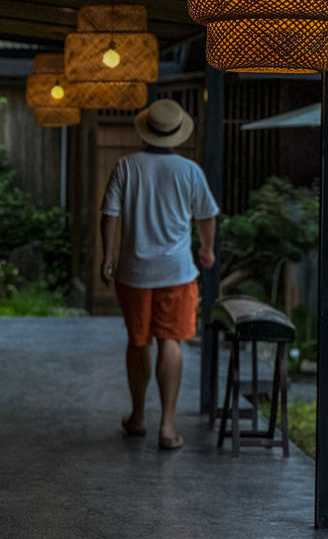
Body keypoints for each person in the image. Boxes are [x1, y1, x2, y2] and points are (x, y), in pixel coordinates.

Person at [100, 98, 219, 451]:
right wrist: (207, 248)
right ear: (176, 134)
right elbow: (207, 215)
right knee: (172, 341)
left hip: (134, 272)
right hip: (177, 272)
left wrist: (108, 255)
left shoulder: (126, 166)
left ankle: (138, 416)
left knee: (139, 342)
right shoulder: (190, 171)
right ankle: (167, 426)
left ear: (146, 130)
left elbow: (109, 214)